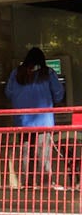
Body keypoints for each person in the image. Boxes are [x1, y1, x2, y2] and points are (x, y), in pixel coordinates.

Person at [6, 46, 65, 191]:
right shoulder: (47, 73)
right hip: (43, 121)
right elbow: (59, 93)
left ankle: (27, 183)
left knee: (26, 153)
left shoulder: (16, 73)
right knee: (43, 153)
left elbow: (8, 93)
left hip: (22, 121)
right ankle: (45, 184)